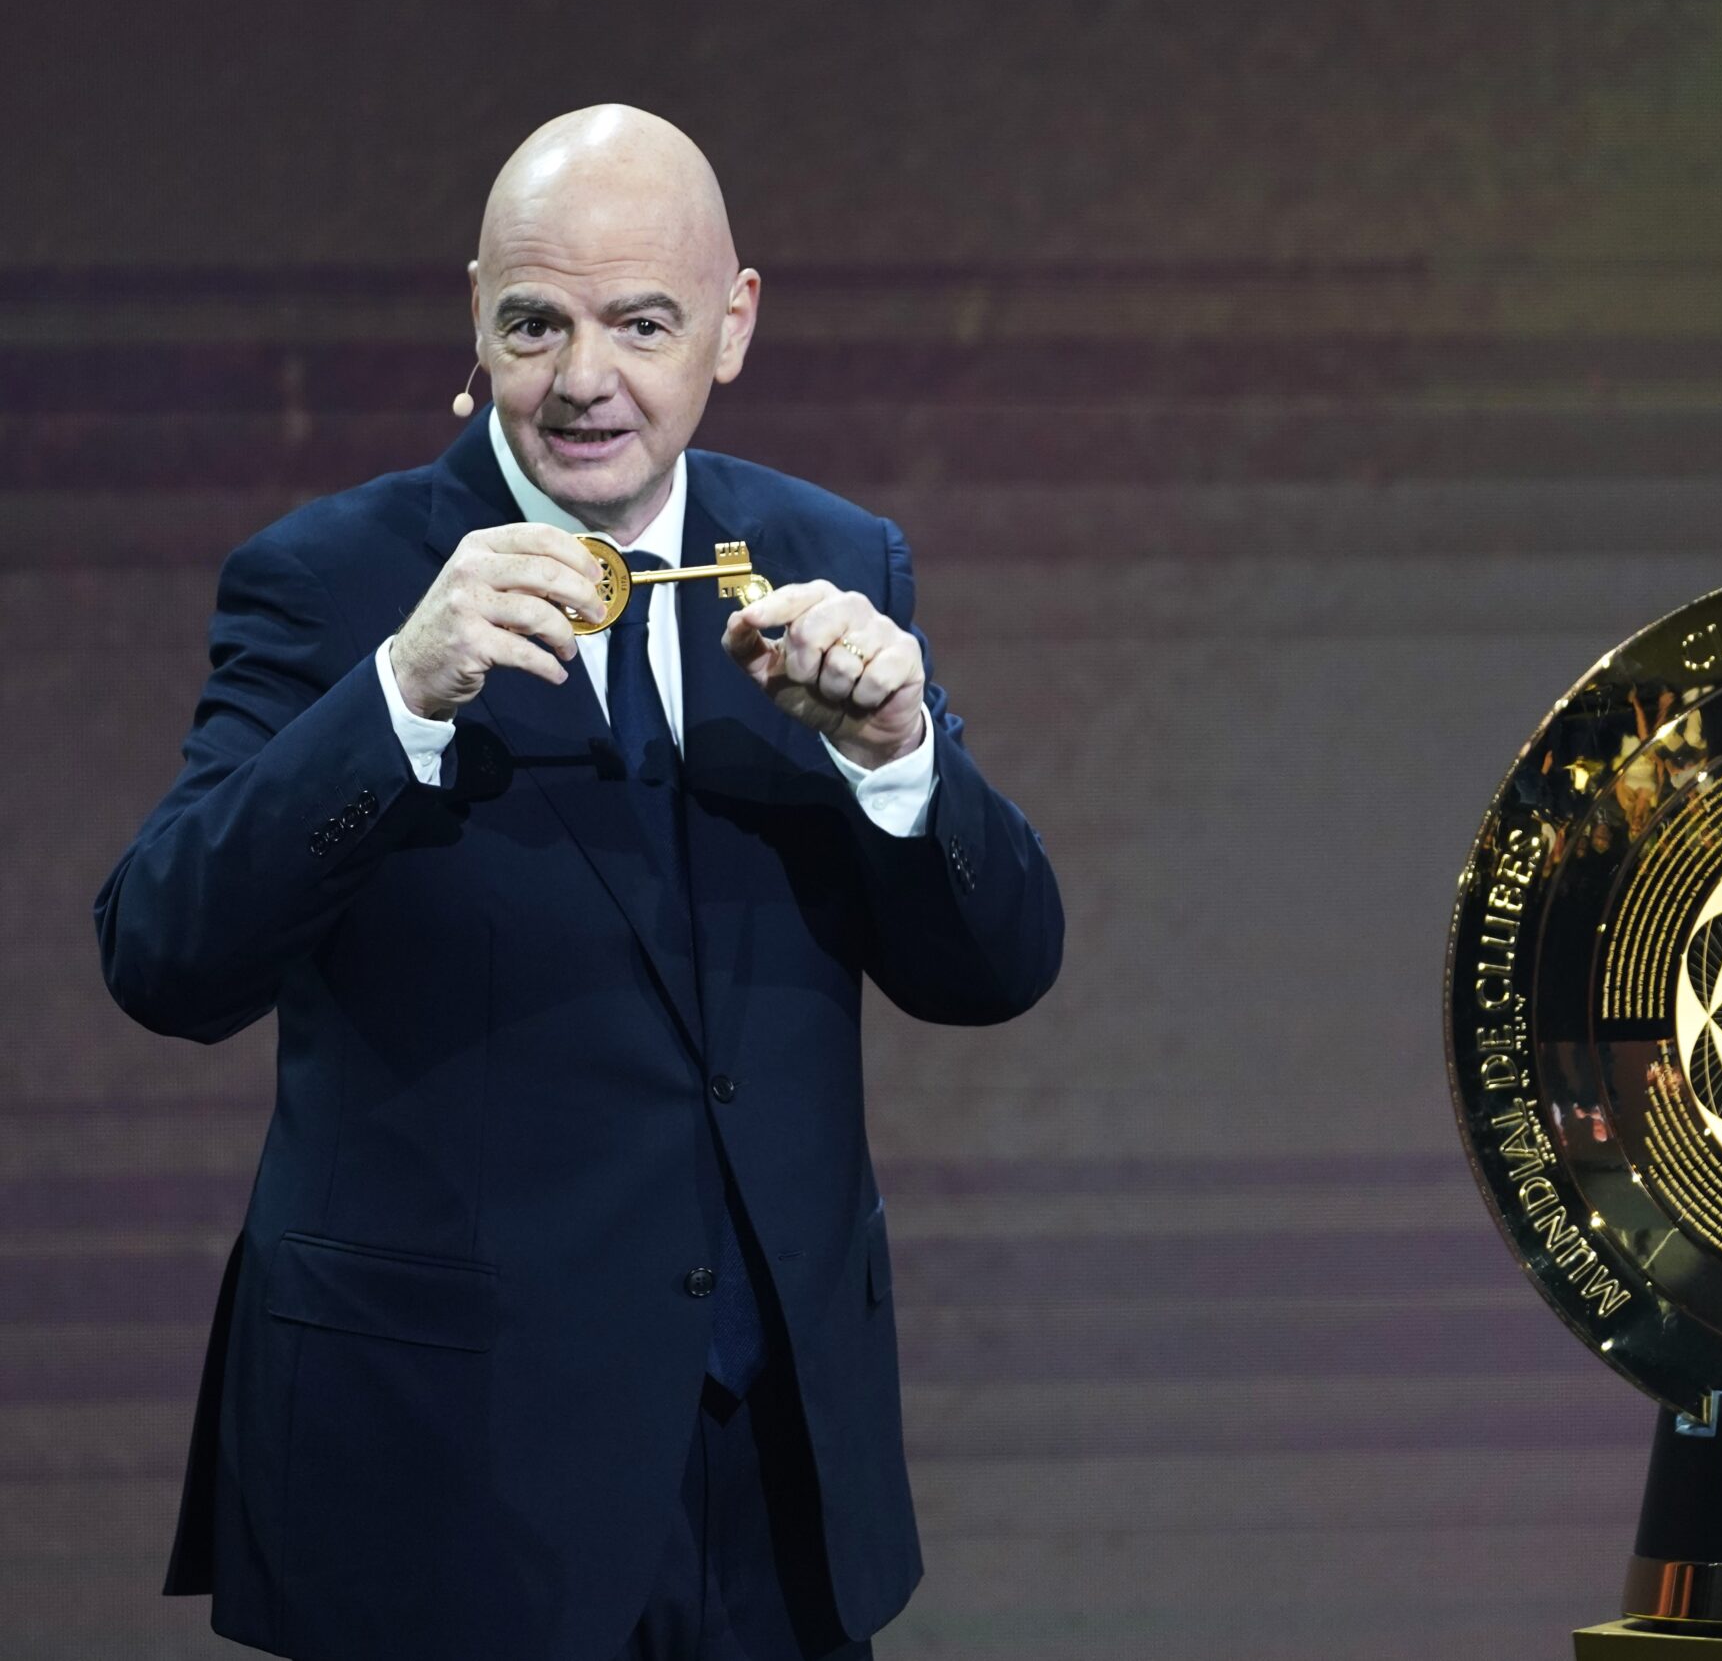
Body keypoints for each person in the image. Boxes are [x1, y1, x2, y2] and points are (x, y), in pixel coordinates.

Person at [93, 105, 1065, 1661]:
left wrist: (897, 764)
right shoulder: (333, 581)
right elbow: (163, 957)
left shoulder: (831, 558)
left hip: (770, 1484)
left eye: (642, 322)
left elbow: (995, 966)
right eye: (534, 324)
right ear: (476, 315)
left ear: (733, 326)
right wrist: (398, 695)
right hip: (442, 1469)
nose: (584, 380)